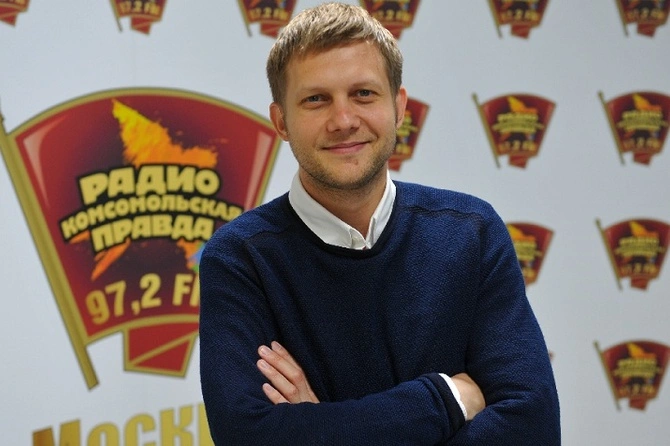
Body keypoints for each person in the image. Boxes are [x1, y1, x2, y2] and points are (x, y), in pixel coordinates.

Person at [199, 2, 561, 445]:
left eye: (363, 94)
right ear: (281, 122)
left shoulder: (472, 232)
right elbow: (249, 436)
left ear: (399, 106)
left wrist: (322, 426)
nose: (343, 120)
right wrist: (446, 399)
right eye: (316, 99)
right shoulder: (241, 259)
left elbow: (532, 427)